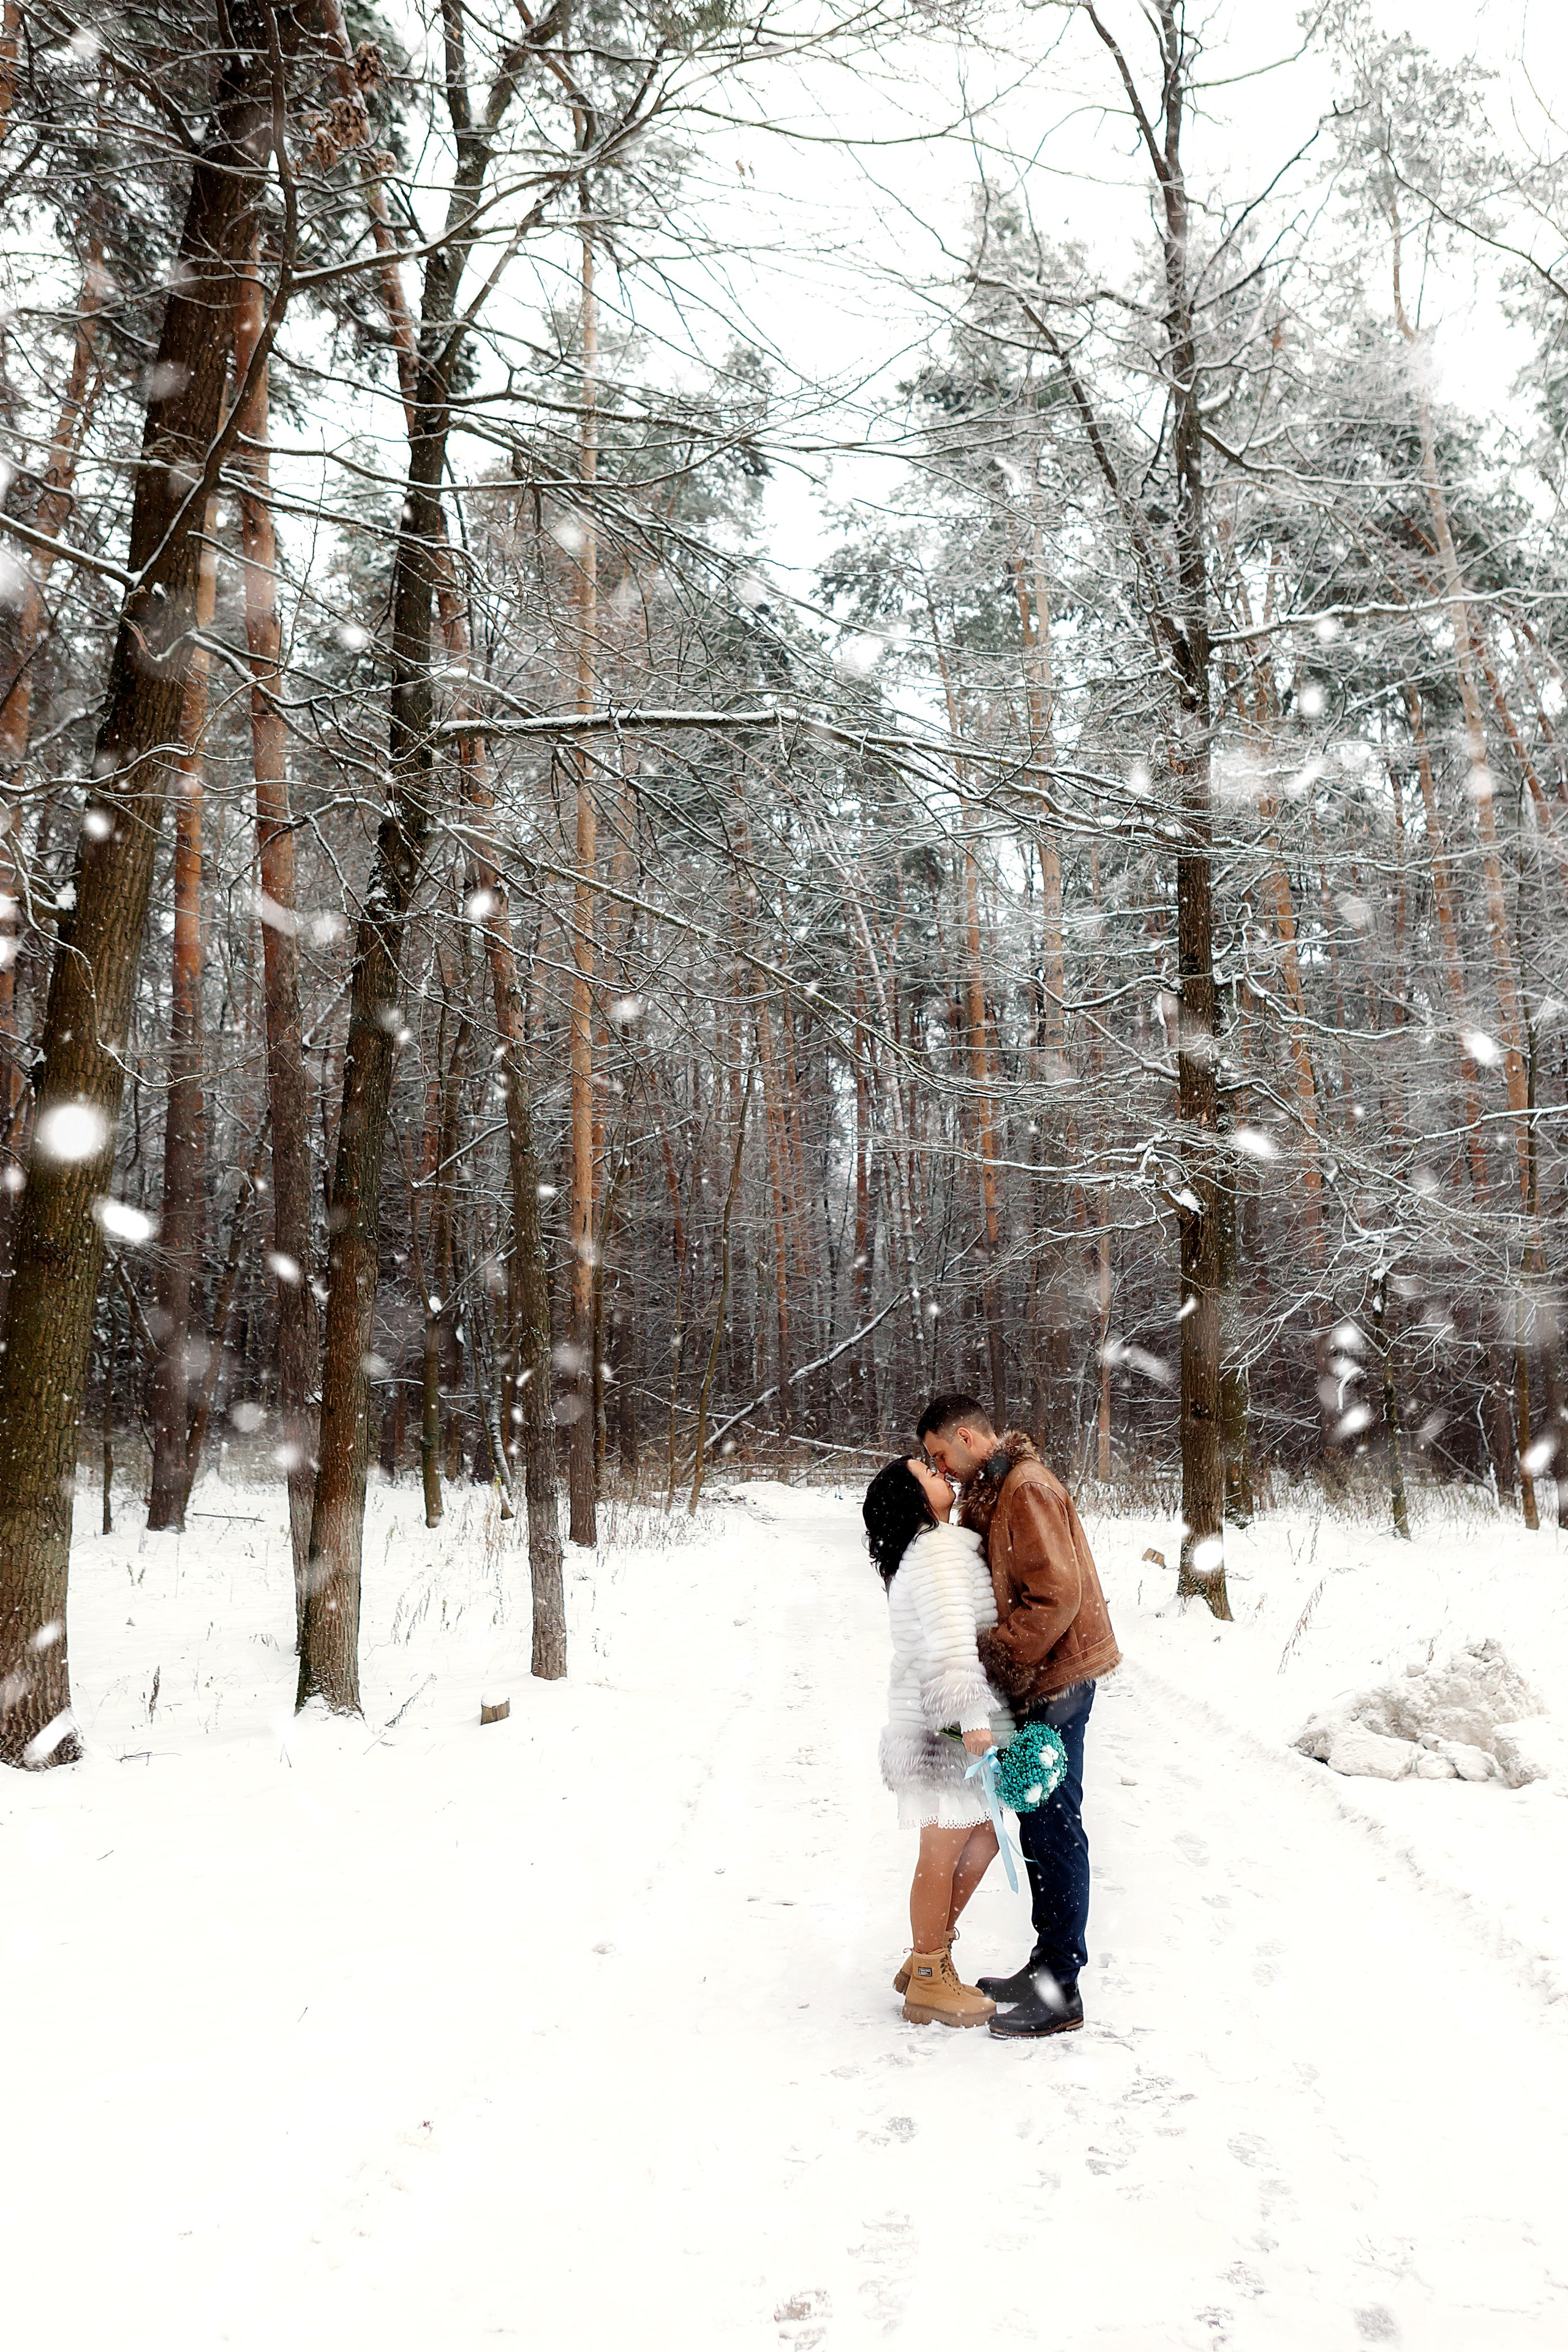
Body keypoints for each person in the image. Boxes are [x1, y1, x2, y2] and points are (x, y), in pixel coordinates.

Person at [916, 1394, 1120, 2041]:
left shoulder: (1025, 1489)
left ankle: (1062, 1990)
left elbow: (1055, 1597)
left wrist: (995, 1661)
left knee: (1055, 1829)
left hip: (1055, 1680)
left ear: (970, 1437)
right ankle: (1044, 1967)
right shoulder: (999, 1489)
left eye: (941, 1455)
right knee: (1038, 1827)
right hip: (1039, 1682)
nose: (942, 1469)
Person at [862, 1453, 1016, 2027]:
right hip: (945, 1721)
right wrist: (972, 1718)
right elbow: (953, 1641)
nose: (940, 1471)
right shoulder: (937, 1553)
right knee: (947, 1845)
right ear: (915, 1498)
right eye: (927, 1472)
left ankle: (928, 1956)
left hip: (940, 1718)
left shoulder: (933, 1549)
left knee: (981, 1836)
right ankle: (929, 1975)